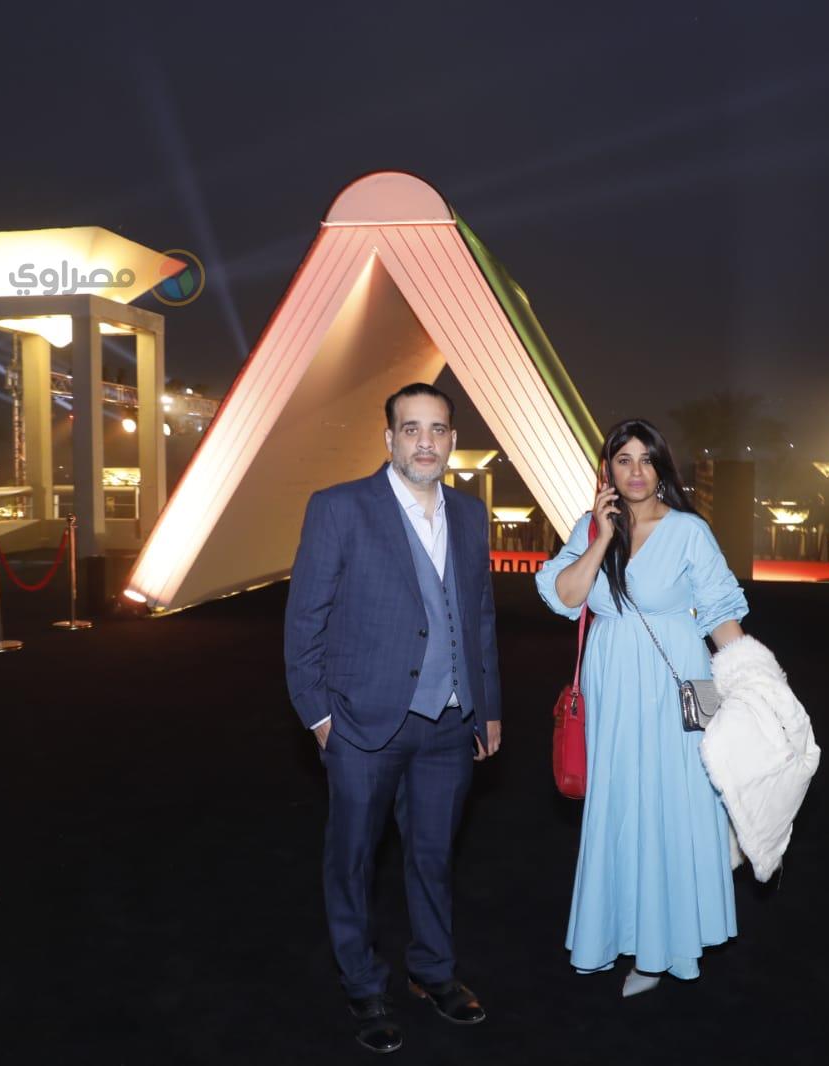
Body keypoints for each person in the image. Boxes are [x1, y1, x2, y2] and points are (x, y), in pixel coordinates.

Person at [283, 383, 501, 1055]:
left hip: (450, 723)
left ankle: (433, 971)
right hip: (360, 723)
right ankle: (362, 984)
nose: (425, 442)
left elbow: (479, 616)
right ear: (389, 439)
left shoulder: (470, 514)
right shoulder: (340, 507)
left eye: (437, 429)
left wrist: (488, 707)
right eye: (411, 429)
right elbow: (304, 620)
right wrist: (318, 715)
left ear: (452, 441)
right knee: (352, 858)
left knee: (433, 856)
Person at [535, 418, 749, 997]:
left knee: (681, 801)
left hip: (683, 681)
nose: (635, 471)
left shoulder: (689, 531)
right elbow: (566, 596)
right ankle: (614, 937)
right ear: (607, 469)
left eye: (646, 459)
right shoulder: (589, 528)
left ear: (661, 469)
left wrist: (757, 685)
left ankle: (664, 950)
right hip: (612, 685)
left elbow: (720, 616)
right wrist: (602, 537)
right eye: (623, 459)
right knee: (622, 806)